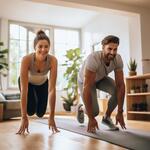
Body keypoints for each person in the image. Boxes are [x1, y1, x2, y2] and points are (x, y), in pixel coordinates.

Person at [77, 35, 126, 133]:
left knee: (117, 90)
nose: (112, 52)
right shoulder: (93, 59)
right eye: (109, 49)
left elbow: (121, 85)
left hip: (100, 78)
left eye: (115, 49)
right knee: (94, 112)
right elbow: (87, 87)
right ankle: (82, 108)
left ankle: (106, 118)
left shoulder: (118, 59)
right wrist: (91, 118)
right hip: (85, 82)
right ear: (103, 47)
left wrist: (120, 112)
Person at [17, 30, 59, 134]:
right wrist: (23, 117)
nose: (43, 49)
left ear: (49, 47)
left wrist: (52, 116)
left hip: (42, 83)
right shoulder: (26, 59)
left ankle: (37, 99)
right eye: (40, 46)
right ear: (35, 47)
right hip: (28, 84)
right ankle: (33, 101)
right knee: (30, 111)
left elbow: (52, 89)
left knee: (40, 113)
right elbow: (24, 90)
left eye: (46, 46)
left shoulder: (53, 60)